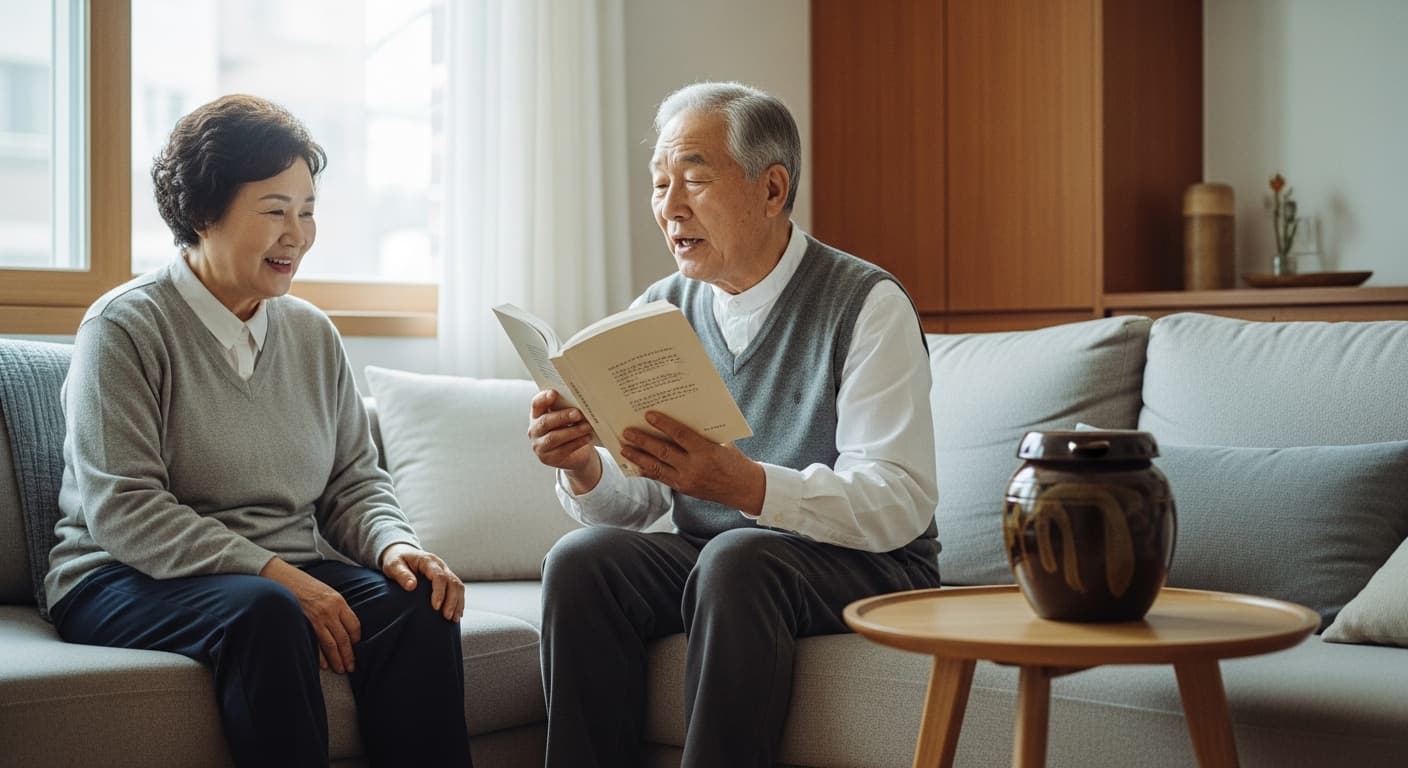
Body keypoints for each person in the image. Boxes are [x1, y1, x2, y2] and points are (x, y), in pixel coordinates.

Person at [44, 94, 473, 767]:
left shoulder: (311, 334)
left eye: (307, 212)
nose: (297, 235)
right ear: (201, 212)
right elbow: (125, 510)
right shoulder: (123, 328)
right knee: (267, 611)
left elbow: (354, 481)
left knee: (417, 606)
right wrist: (277, 575)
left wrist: (394, 547)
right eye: (275, 210)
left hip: (275, 573)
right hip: (119, 576)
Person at [528, 81, 941, 767]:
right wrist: (582, 464)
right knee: (582, 563)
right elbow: (644, 497)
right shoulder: (662, 308)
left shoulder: (866, 303)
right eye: (659, 185)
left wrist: (748, 486)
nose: (670, 208)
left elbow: (897, 500)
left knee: (738, 556)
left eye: (693, 179)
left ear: (772, 189)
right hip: (729, 559)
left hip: (870, 564)